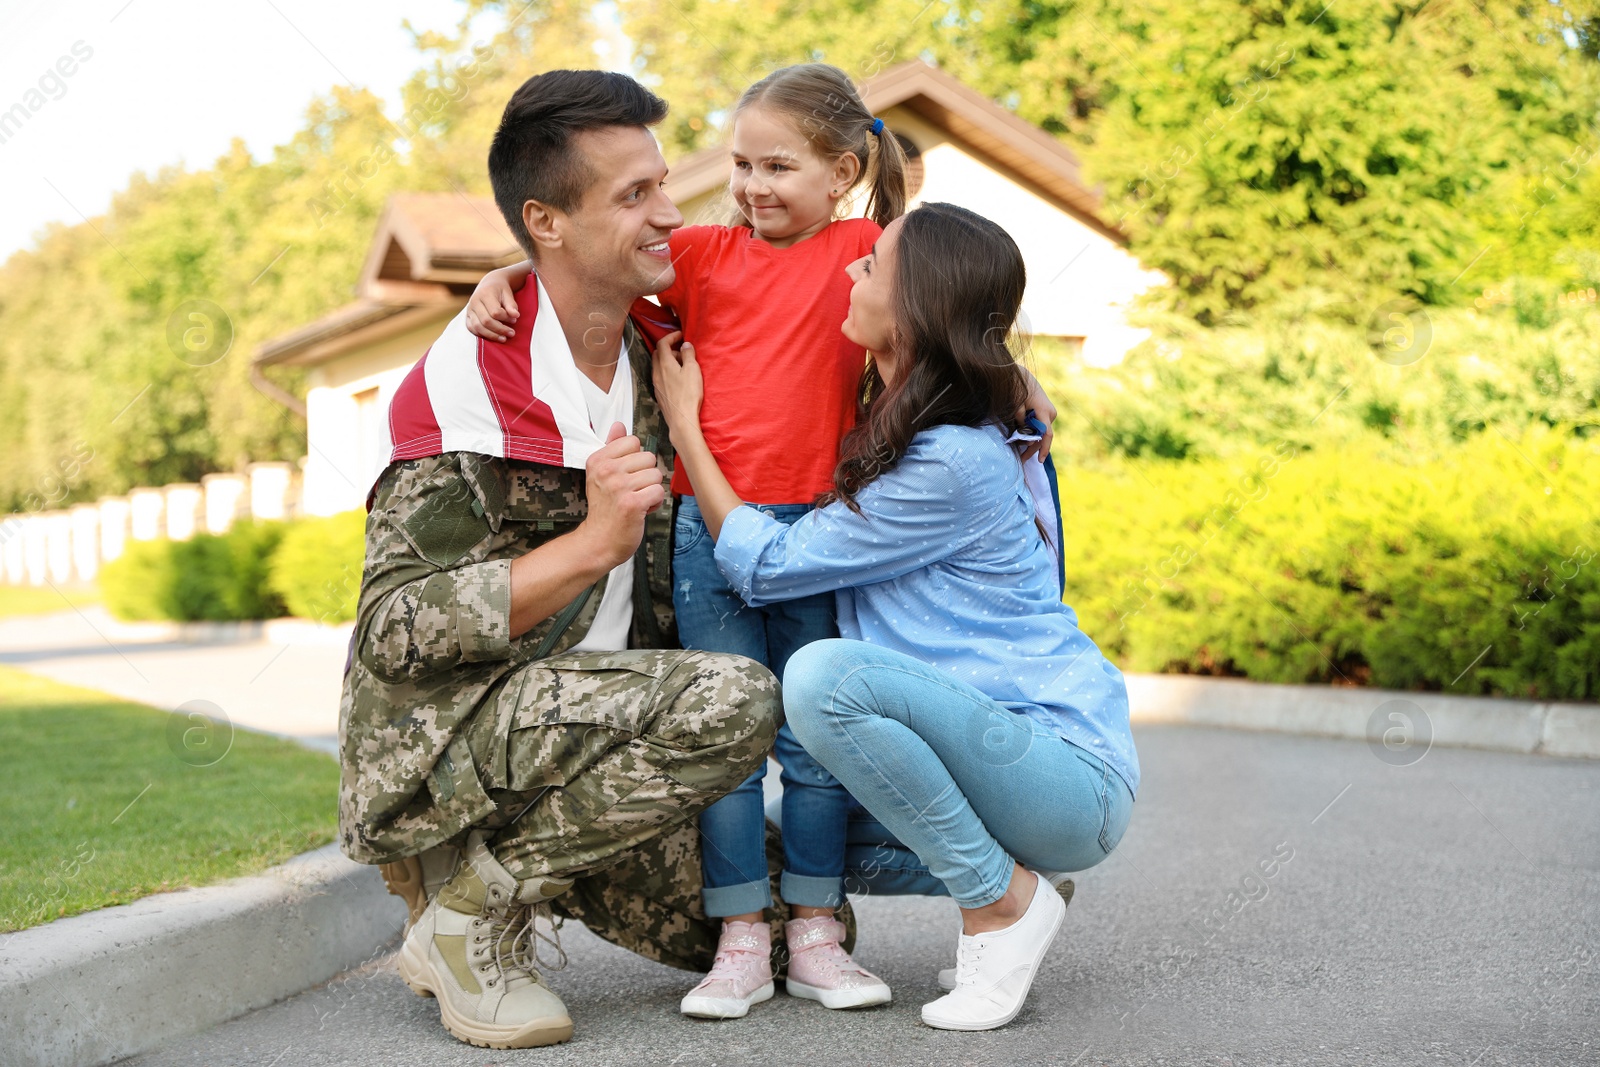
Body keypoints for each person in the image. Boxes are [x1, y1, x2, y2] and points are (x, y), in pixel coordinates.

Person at [468, 63, 1060, 1021]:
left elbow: (958, 309)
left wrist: (1016, 382)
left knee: (816, 744)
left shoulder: (872, 251)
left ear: (841, 173)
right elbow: (598, 267)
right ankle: (741, 937)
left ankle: (817, 933)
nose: (749, 186)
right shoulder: (702, 254)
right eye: (739, 164)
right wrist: (505, 275)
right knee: (732, 743)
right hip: (713, 536)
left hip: (823, 539)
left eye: (776, 166)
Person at [338, 69, 789, 1051]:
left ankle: (533, 861)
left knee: (782, 936)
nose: (671, 211)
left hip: (609, 726)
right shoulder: (468, 387)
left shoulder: (660, 343)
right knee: (735, 699)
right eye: (635, 196)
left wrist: (996, 376)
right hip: (458, 736)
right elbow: (392, 630)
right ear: (546, 221)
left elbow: (836, 279)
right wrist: (590, 546)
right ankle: (468, 907)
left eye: (665, 184)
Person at [652, 201, 1141, 1033]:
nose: (850, 271)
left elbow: (770, 566)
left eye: (872, 265)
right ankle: (1018, 880)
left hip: (1061, 773)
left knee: (822, 678)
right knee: (785, 840)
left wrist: (686, 428)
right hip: (1010, 773)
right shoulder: (925, 421)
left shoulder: (948, 457)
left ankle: (1001, 903)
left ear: (917, 307)